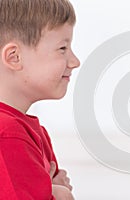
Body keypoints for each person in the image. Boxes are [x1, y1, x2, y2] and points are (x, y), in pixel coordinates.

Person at [0, 0, 80, 199]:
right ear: (14, 57)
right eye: (62, 48)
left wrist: (51, 190)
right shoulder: (8, 134)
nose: (75, 61)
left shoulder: (29, 131)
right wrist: (61, 195)